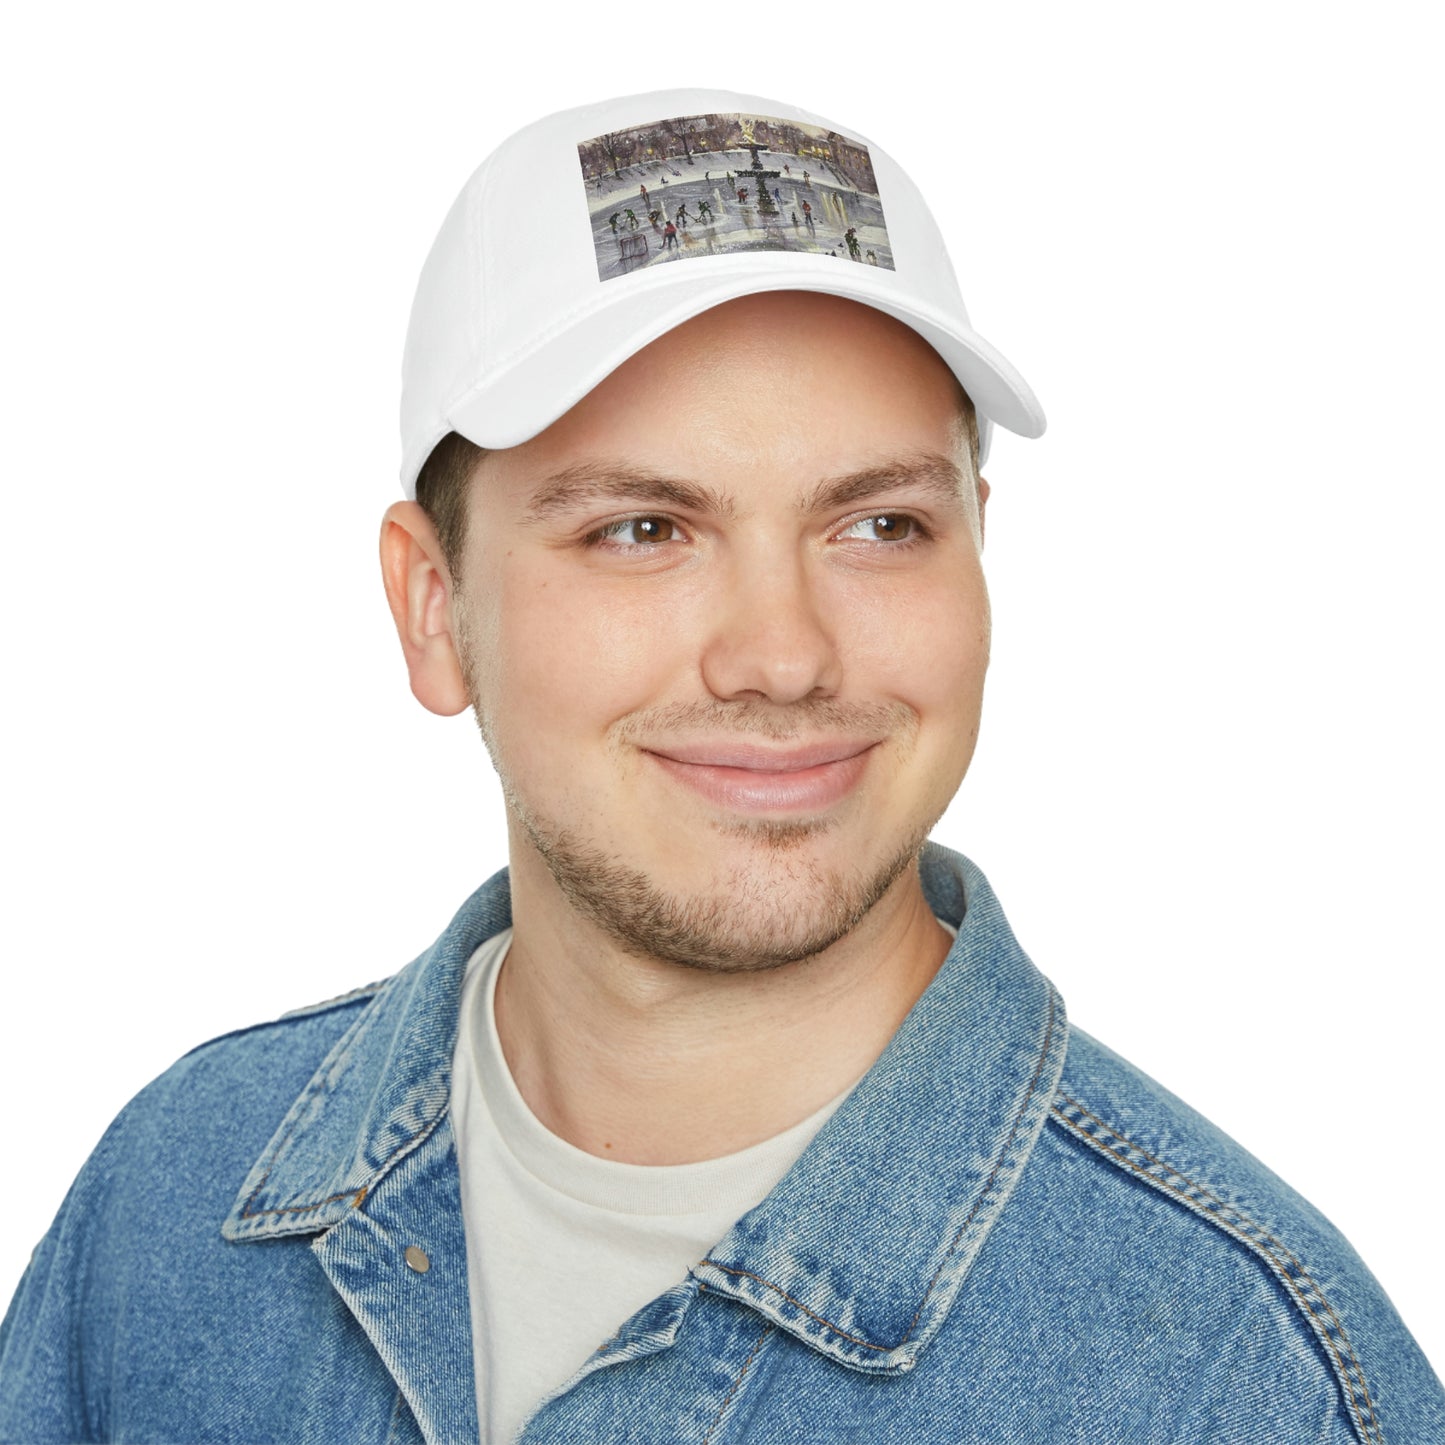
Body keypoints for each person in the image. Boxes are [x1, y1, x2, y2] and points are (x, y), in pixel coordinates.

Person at [1, 84, 1441, 1445]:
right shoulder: (172, 1204)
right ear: (432, 607)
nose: (782, 654)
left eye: (878, 524)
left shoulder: (1236, 1375)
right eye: (642, 528)